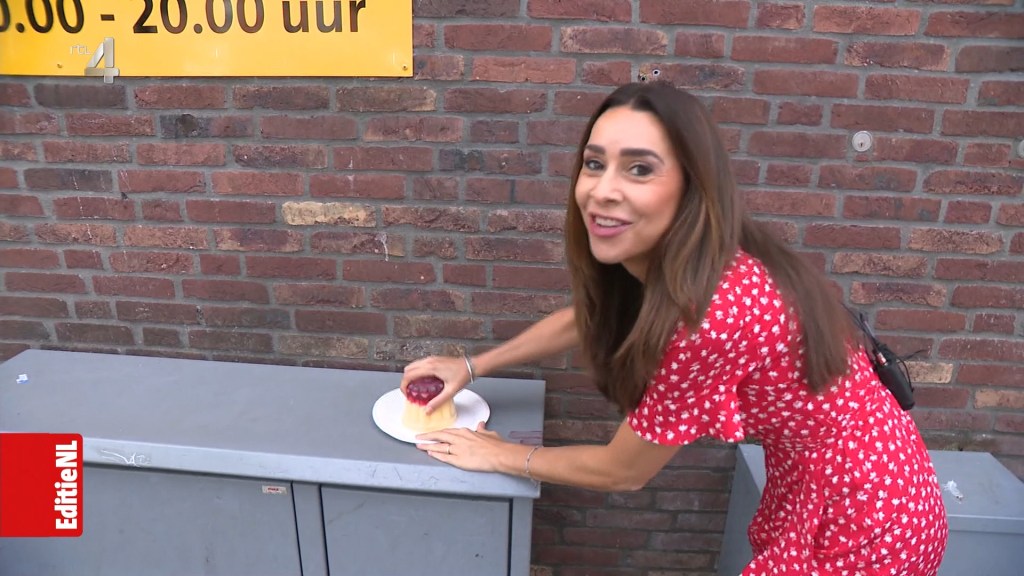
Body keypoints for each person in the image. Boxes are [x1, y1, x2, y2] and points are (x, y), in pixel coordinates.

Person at [401, 82, 948, 575]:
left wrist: (501, 456)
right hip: (854, 475)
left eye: (639, 169)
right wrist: (472, 366)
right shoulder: (692, 253)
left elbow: (622, 471)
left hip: (870, 520)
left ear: (692, 186)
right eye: (594, 164)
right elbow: (594, 316)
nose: (602, 190)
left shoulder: (708, 318)